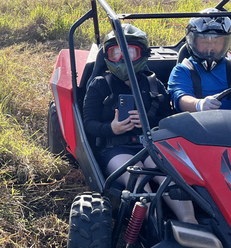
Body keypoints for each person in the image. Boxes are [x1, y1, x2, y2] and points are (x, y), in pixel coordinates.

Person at [83, 24, 197, 224]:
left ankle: (190, 223)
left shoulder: (153, 84)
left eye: (130, 53)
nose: (122, 59)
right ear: (107, 57)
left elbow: (168, 119)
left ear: (143, 54)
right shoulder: (100, 84)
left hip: (150, 145)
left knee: (169, 177)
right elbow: (88, 124)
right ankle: (153, 229)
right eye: (116, 53)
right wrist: (112, 128)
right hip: (115, 148)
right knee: (138, 179)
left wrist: (147, 120)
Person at [168, 8, 231, 114]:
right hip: (197, 128)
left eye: (216, 42)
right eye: (204, 42)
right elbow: (179, 99)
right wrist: (199, 105)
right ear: (192, 41)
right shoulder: (182, 70)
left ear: (226, 43)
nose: (210, 48)